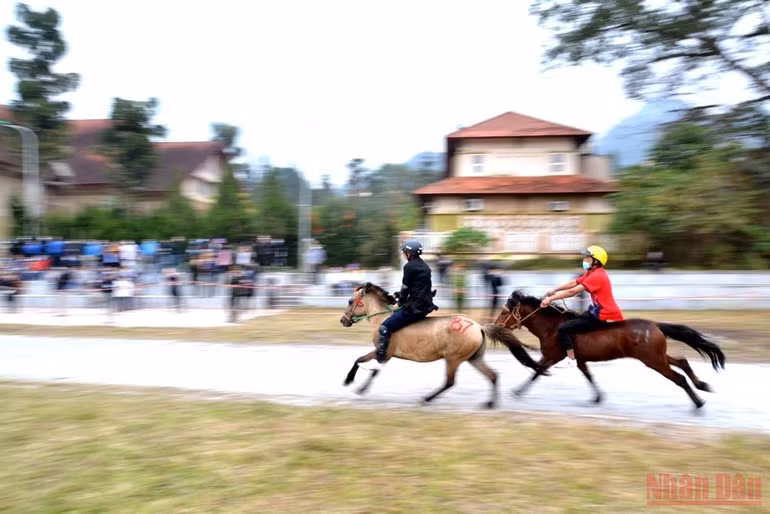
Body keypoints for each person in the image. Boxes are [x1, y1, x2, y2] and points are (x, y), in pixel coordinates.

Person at [540, 245, 624, 360]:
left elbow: (573, 291)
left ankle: (571, 359)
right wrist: (555, 289)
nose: (585, 260)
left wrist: (551, 299)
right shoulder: (591, 272)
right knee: (574, 321)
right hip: (595, 311)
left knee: (564, 328)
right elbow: (574, 283)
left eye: (587, 258)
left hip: (603, 314)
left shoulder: (597, 276)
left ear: (596, 261)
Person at [374, 239, 438, 365]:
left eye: (404, 252)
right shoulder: (425, 267)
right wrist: (399, 294)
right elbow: (417, 287)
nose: (404, 254)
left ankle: (381, 355)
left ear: (409, 253)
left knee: (384, 327)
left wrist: (399, 303)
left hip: (415, 308)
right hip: (426, 306)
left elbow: (406, 288)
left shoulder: (409, 266)